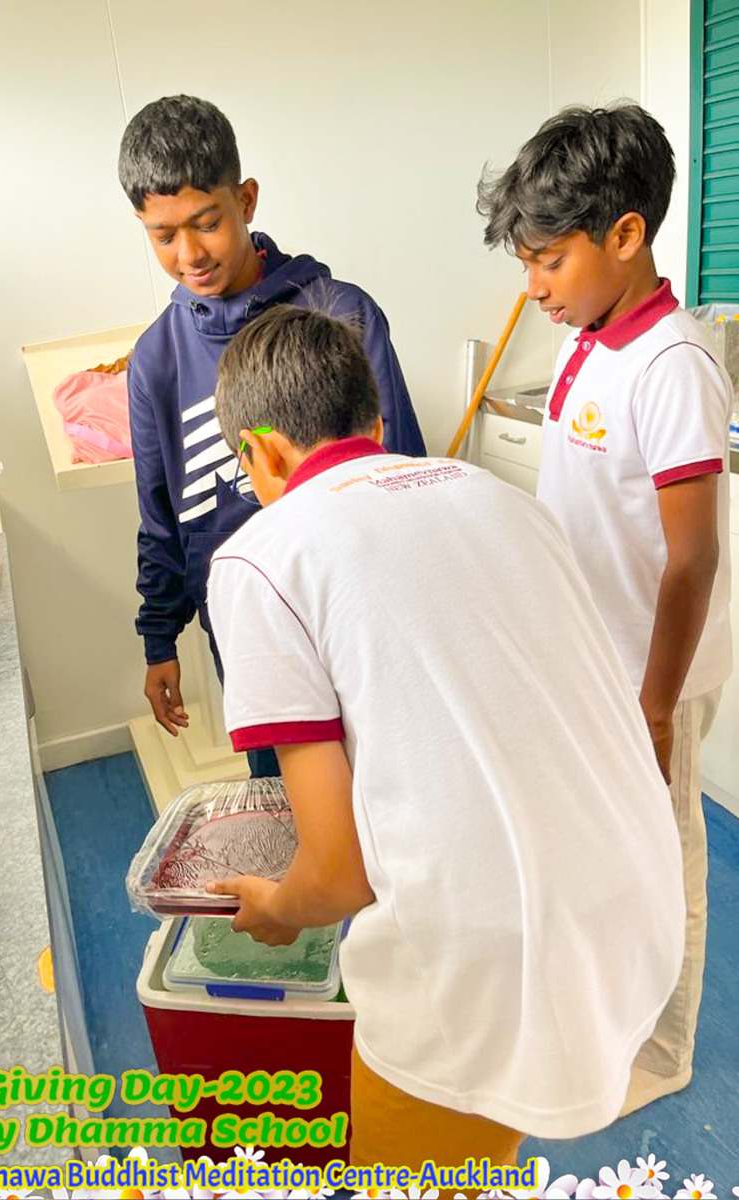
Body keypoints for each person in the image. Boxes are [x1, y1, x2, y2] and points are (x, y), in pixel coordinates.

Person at [204, 304, 684, 1168]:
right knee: (493, 1140)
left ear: (261, 454)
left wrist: (277, 909)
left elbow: (338, 874)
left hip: (493, 948)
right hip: (633, 890)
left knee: (415, 1170)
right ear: (376, 424)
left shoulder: (260, 556)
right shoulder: (499, 497)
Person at [478, 103, 733, 1114]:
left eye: (549, 260)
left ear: (625, 234)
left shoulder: (673, 363)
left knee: (665, 857)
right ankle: (604, 1014)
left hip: (653, 675)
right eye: (527, 263)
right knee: (604, 846)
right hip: (594, 660)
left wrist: (659, 704)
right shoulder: (589, 339)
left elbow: (693, 556)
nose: (533, 286)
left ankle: (663, 1053)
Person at [118, 95, 425, 776]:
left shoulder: (342, 314)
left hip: (361, 621)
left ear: (247, 200)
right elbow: (160, 514)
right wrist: (158, 637)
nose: (189, 254)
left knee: (395, 792)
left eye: (207, 224)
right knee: (288, 810)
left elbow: (403, 475)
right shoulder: (156, 361)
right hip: (249, 639)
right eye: (163, 236)